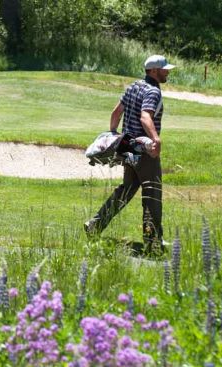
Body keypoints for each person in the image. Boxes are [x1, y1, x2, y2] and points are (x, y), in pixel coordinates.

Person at [84, 55, 175, 254]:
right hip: (143, 149)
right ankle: (153, 243)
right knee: (152, 195)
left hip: (127, 144)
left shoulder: (133, 86)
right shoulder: (153, 91)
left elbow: (116, 113)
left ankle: (94, 225)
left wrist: (113, 134)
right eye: (164, 68)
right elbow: (145, 117)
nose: (167, 71)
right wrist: (155, 139)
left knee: (126, 190)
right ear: (153, 71)